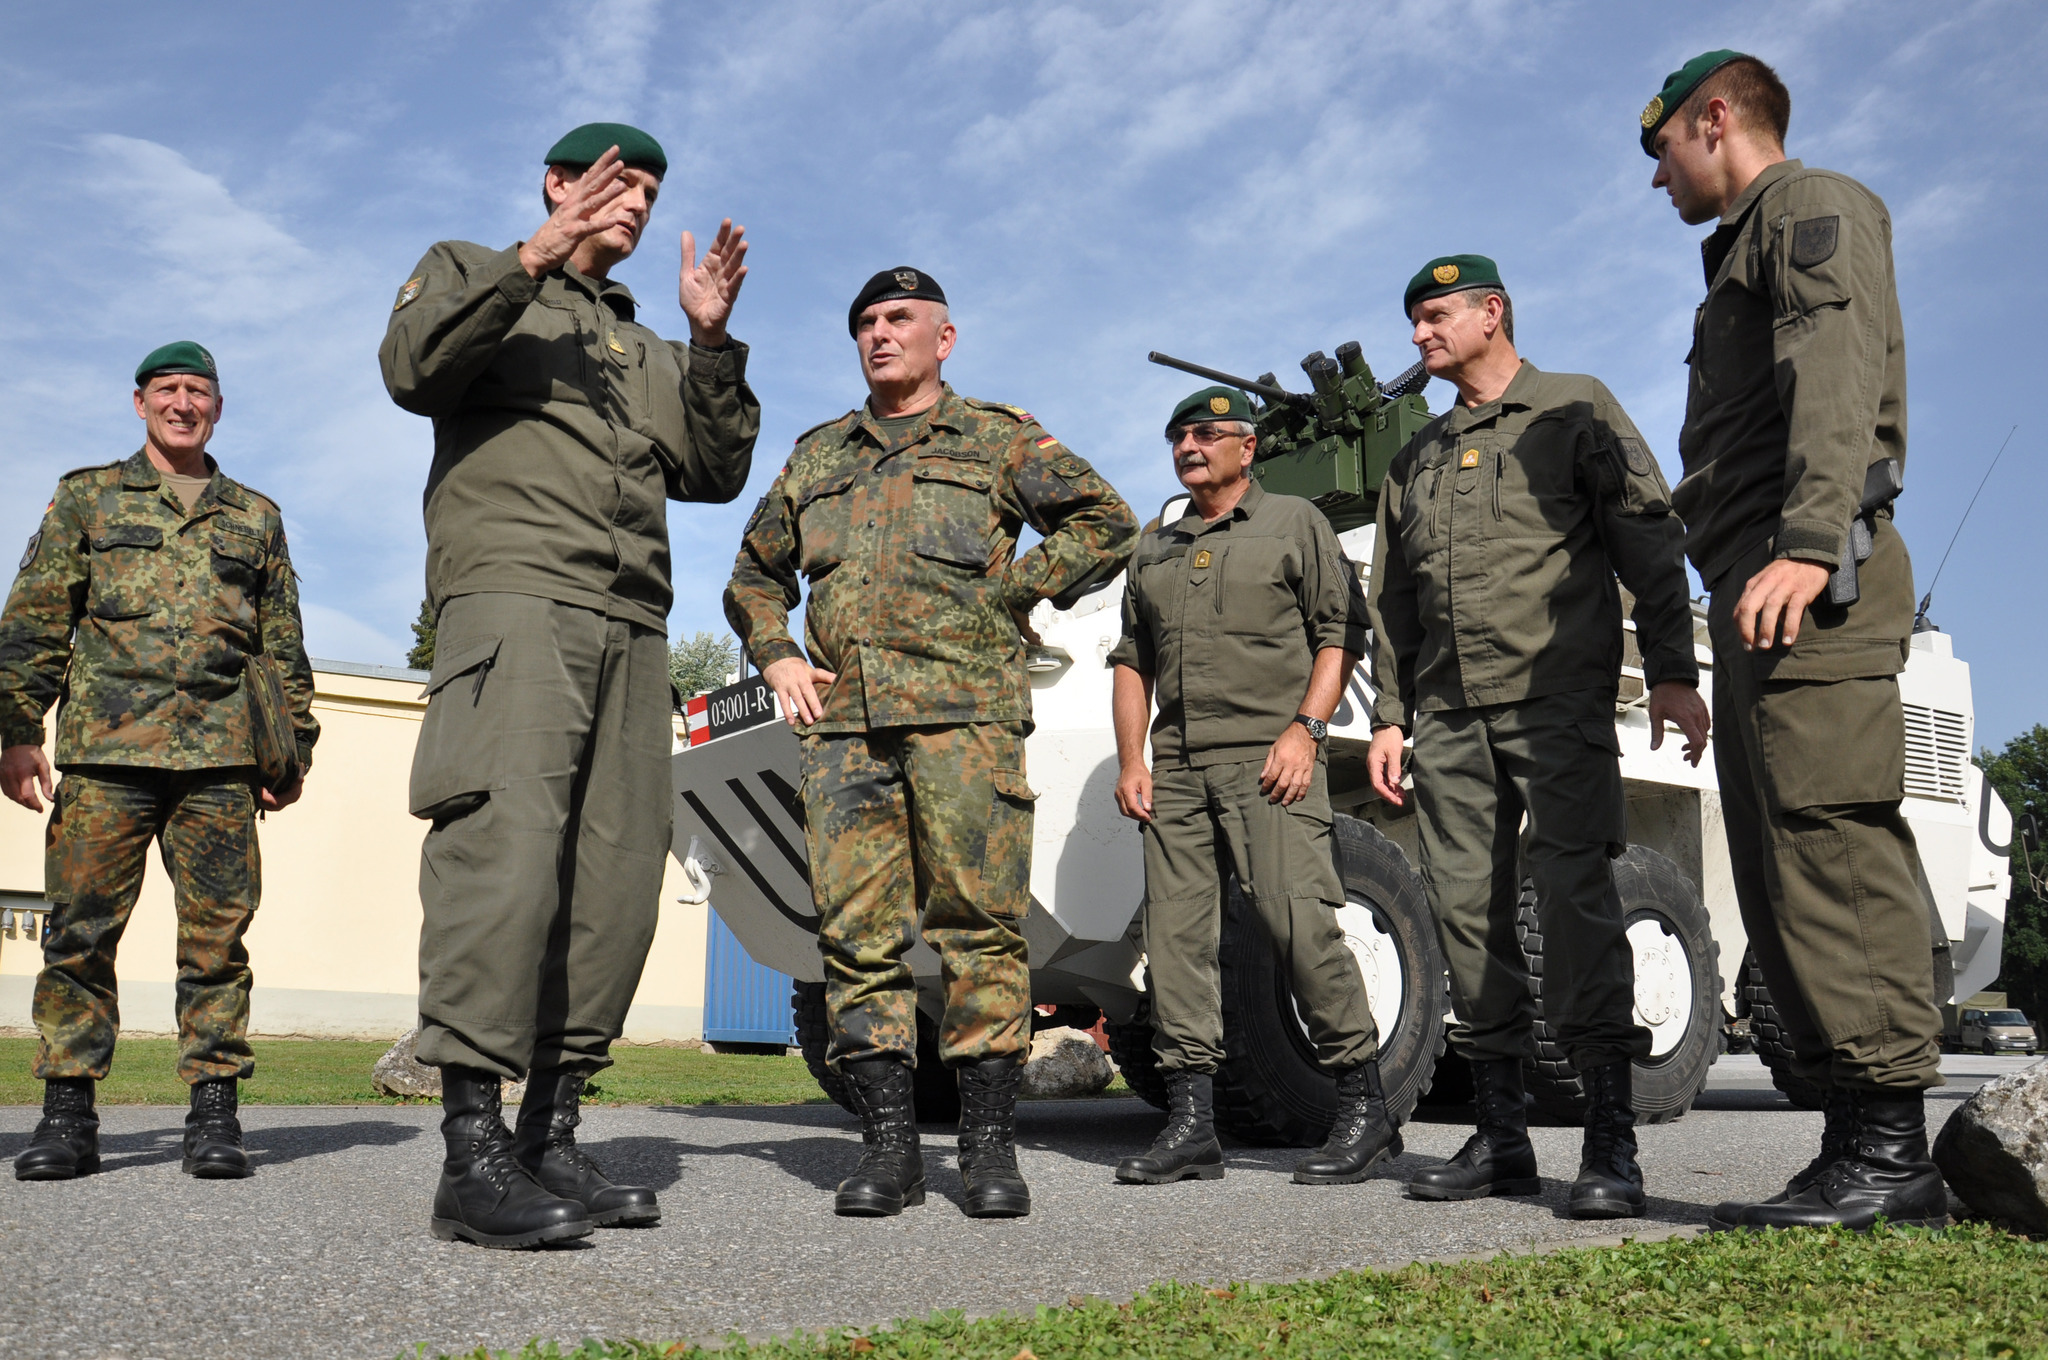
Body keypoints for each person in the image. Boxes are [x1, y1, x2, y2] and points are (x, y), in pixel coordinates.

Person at [379, 122, 760, 1248]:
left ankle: (550, 1132)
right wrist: (536, 252)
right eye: (612, 180)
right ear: (557, 183)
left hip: (633, 622)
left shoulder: (642, 346)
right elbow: (412, 367)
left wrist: (709, 341)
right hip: (515, 598)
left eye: (648, 187)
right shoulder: (474, 269)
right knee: (500, 858)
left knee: (614, 879)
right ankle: (471, 1153)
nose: (633, 201)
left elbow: (712, 470)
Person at [726, 267, 1137, 1219]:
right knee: (856, 940)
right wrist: (780, 654)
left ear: (943, 338)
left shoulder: (997, 438)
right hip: (846, 732)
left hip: (967, 717)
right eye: (865, 321)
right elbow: (753, 573)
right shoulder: (819, 454)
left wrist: (1016, 587)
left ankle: (989, 1151)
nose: (880, 334)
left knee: (980, 929)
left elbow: (1106, 520)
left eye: (900, 319)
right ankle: (888, 1151)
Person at [1644, 52, 1946, 1232]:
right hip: (1757, 591)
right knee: (1778, 864)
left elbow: (1832, 372)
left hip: (1808, 579)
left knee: (1829, 840)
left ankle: (1891, 1149)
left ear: (1713, 119)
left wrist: (1811, 539)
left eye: (1660, 147)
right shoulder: (1742, 249)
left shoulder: (1810, 208)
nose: (1656, 175)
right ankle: (1847, 1140)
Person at [1365, 255, 1709, 1219]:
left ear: (1493, 313)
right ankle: (1503, 1137)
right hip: (1452, 717)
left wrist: (1675, 674)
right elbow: (1394, 601)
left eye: (1437, 315)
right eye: (1415, 319)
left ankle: (1610, 1141)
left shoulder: (1574, 408)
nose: (1422, 333)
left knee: (1576, 904)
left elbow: (1648, 536)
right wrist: (1393, 717)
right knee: (1466, 917)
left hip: (1557, 703)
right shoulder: (1416, 460)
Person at [1, 342, 319, 1183]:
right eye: (168, 390)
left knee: (217, 943)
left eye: (199, 392)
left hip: (220, 760)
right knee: (78, 938)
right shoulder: (88, 499)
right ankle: (68, 1116)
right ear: (139, 402)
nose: (184, 403)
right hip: (106, 757)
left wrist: (294, 749)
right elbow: (35, 620)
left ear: (218, 407)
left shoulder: (254, 515)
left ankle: (214, 1116)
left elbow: (280, 644)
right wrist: (15, 729)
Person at [1107, 385, 1399, 1188]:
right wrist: (1134, 759)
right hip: (1177, 769)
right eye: (1176, 436)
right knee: (1174, 949)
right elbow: (1131, 662)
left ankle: (1365, 1110)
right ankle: (1193, 1124)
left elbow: (1338, 633)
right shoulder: (1154, 547)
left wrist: (1305, 730)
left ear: (1248, 446)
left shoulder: (1294, 522)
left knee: (1300, 927)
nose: (1187, 447)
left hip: (1269, 761)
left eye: (1205, 433)